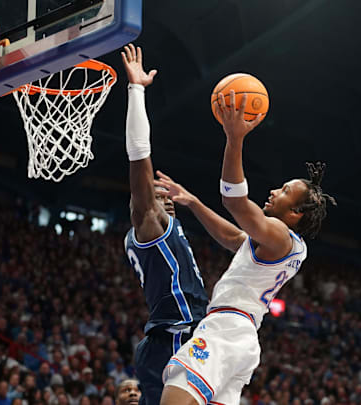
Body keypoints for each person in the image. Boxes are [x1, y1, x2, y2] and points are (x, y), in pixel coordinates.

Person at [158, 90, 336, 405]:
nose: (272, 191)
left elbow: (234, 202)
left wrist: (234, 138)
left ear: (295, 213)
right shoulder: (280, 244)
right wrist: (195, 203)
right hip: (241, 336)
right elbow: (233, 238)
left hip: (226, 328)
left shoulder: (279, 234)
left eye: (283, 191)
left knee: (175, 393)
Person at [120, 44, 209, 405]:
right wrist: (136, 91)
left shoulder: (169, 227)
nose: (165, 196)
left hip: (182, 334)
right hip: (172, 336)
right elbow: (139, 156)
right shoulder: (150, 226)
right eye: (157, 193)